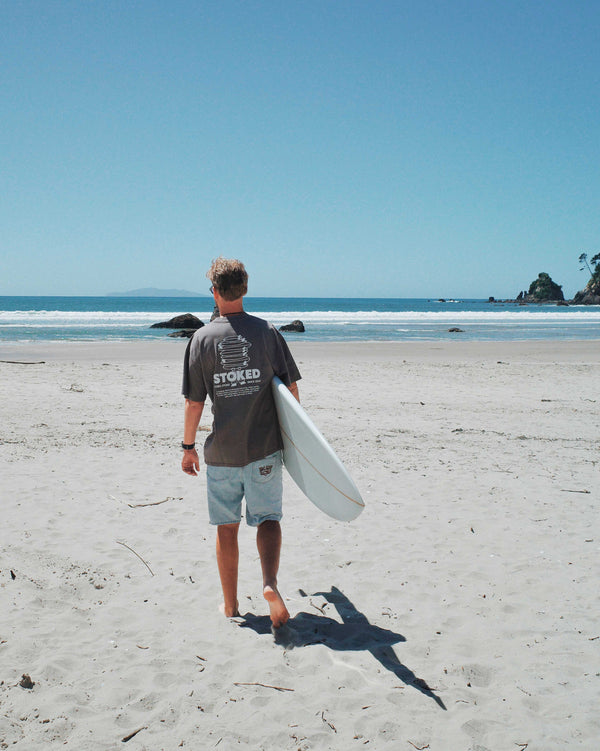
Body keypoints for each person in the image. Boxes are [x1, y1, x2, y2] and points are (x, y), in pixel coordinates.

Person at [180, 257, 301, 629]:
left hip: (222, 455)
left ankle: (231, 606)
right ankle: (269, 584)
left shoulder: (201, 339)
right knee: (268, 520)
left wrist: (187, 448)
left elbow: (194, 403)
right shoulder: (268, 333)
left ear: (214, 292)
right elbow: (291, 391)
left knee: (226, 527)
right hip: (264, 450)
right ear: (244, 289)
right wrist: (296, 446)